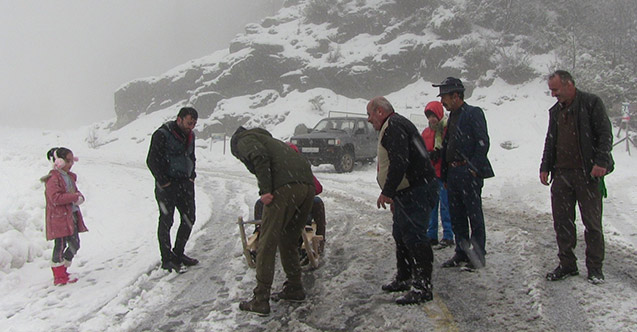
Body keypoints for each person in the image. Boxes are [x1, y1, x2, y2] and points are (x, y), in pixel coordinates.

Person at [230, 126, 315, 315]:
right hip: (306, 186)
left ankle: (260, 299)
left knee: (267, 242)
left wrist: (265, 190)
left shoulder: (244, 140)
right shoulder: (273, 142)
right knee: (289, 239)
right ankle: (294, 287)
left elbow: (259, 156)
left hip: (284, 187)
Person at [540, 70, 614, 284]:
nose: (554, 94)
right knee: (562, 222)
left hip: (587, 174)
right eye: (551, 90)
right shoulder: (555, 111)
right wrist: (545, 166)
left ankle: (595, 268)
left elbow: (604, 134)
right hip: (561, 174)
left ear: (569, 84)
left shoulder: (591, 103)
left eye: (556, 89)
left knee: (592, 224)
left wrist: (601, 161)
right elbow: (550, 141)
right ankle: (567, 264)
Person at [366, 96, 438, 305]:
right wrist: (396, 194)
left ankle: (422, 286)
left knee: (415, 235)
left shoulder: (394, 126)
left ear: (380, 111)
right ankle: (405, 276)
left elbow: (400, 161)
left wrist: (388, 192)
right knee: (401, 232)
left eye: (370, 114)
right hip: (408, 190)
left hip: (417, 189)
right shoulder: (394, 124)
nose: (369, 120)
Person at [434, 77, 494, 270]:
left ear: (456, 95)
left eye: (445, 97)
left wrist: (472, 169)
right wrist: (444, 175)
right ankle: (461, 252)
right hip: (453, 174)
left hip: (467, 173)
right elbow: (447, 147)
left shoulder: (473, 113)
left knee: (474, 215)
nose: (442, 101)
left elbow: (482, 142)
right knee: (457, 215)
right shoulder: (452, 117)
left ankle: (477, 257)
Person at [147, 107, 199, 273]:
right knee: (166, 221)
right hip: (167, 187)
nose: (191, 126)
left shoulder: (191, 135)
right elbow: (151, 160)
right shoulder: (162, 134)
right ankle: (166, 258)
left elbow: (191, 156)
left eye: (194, 124)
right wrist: (164, 182)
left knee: (189, 217)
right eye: (189, 123)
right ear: (179, 119)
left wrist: (192, 174)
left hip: (185, 184)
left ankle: (178, 253)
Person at [254, 142, 326, 256]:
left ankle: (260, 229)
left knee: (260, 203)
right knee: (317, 202)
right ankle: (320, 235)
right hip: (298, 212)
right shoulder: (302, 168)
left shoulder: (274, 169)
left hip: (277, 212)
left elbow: (265, 190)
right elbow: (318, 188)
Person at [41, 147, 88, 286]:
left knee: (75, 243)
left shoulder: (69, 177)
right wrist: (74, 197)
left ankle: (63, 267)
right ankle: (59, 275)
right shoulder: (53, 179)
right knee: (60, 245)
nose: (71, 163)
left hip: (71, 215)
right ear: (59, 161)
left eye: (72, 160)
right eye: (68, 161)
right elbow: (55, 197)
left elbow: (75, 192)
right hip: (58, 218)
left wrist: (79, 197)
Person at [421, 101, 454, 249]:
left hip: (443, 174)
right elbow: (420, 151)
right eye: (429, 116)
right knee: (431, 207)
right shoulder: (426, 133)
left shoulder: (446, 130)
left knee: (446, 206)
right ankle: (431, 234)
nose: (432, 119)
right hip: (431, 175)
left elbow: (449, 150)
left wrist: (439, 154)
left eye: (434, 115)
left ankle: (448, 235)